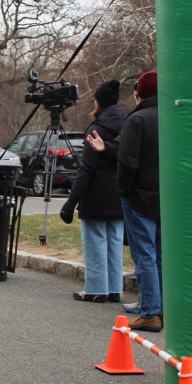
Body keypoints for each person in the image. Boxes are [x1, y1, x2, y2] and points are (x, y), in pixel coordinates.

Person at [87, 70, 161, 331]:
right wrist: (107, 148)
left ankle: (150, 312)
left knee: (144, 256)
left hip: (139, 198)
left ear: (140, 93)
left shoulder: (137, 120)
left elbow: (128, 161)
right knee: (159, 256)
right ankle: (158, 307)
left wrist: (124, 189)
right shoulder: (170, 118)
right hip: (163, 198)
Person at [60, 80, 128, 303]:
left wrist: (71, 202)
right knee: (114, 242)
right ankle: (114, 288)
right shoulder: (127, 125)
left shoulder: (95, 130)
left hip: (96, 195)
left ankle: (96, 288)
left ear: (98, 102)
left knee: (95, 242)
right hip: (118, 193)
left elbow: (86, 169)